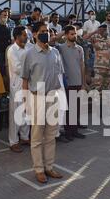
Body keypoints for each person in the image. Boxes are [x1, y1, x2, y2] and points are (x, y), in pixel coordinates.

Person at [21, 22, 64, 184]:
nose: (45, 33)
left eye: (47, 31)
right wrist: (26, 102)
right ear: (34, 34)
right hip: (37, 97)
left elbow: (58, 76)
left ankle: (49, 167)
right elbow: (24, 81)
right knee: (37, 136)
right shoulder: (29, 54)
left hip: (53, 96)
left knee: (51, 135)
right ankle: (39, 169)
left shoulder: (55, 53)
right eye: (42, 31)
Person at [58, 25, 87, 140]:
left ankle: (74, 131)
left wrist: (83, 83)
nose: (74, 35)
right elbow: (52, 40)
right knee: (68, 108)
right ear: (65, 35)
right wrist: (62, 33)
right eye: (71, 33)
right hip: (67, 83)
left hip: (78, 82)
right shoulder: (60, 48)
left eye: (75, 33)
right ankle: (68, 132)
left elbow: (82, 65)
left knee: (76, 108)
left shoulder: (80, 48)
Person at [7, 26, 32, 153]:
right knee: (16, 114)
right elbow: (17, 68)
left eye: (26, 34)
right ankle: (13, 141)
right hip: (17, 87)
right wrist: (32, 67)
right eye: (23, 34)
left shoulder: (29, 47)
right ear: (17, 37)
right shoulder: (12, 50)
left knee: (27, 113)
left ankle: (24, 137)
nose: (26, 36)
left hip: (29, 85)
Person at [84, 24, 110, 92]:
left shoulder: (109, 39)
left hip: (109, 67)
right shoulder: (95, 37)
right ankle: (96, 102)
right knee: (98, 86)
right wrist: (95, 31)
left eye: (106, 29)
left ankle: (105, 102)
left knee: (107, 88)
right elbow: (84, 38)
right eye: (103, 29)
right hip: (99, 67)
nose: (105, 31)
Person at [0, 9, 12, 83]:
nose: (5, 16)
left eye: (7, 15)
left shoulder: (8, 27)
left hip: (7, 51)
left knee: (7, 69)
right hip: (0, 52)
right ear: (0, 16)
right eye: (4, 15)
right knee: (1, 70)